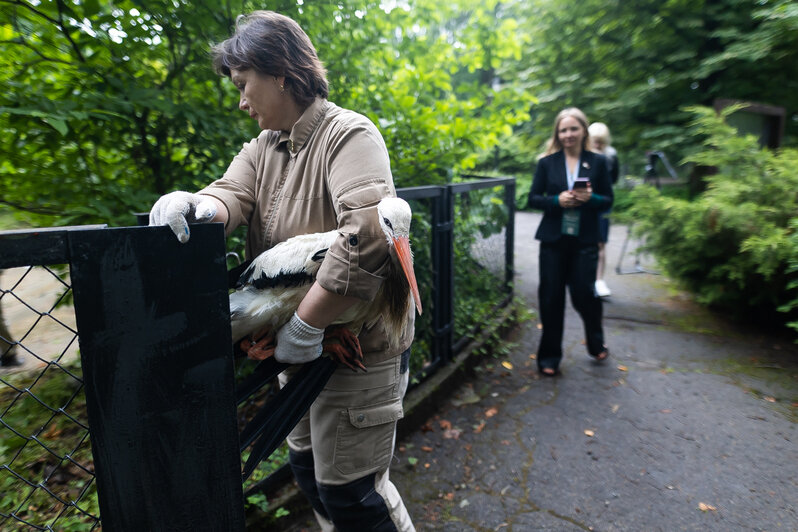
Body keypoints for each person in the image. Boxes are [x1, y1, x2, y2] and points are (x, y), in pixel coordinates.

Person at [148, 11, 415, 531]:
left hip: (359, 353)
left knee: (355, 495)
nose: (242, 101)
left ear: (281, 73)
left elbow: (368, 238)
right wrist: (196, 206)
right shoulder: (263, 147)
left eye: (245, 85)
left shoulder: (349, 135)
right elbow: (231, 195)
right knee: (310, 474)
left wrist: (305, 326)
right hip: (302, 354)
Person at [526, 108, 613, 376]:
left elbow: (608, 200)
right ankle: (549, 357)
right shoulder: (547, 162)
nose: (568, 134)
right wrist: (556, 200)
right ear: (557, 133)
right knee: (551, 297)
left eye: (573, 129)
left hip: (584, 239)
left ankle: (595, 340)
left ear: (583, 130)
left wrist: (591, 199)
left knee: (584, 294)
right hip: (553, 240)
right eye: (563, 130)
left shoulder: (598, 162)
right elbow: (532, 198)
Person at [587, 122, 619, 298]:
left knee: (600, 242)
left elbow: (613, 181)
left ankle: (599, 281)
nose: (597, 146)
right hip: (583, 203)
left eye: (600, 142)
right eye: (595, 142)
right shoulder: (581, 156)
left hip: (602, 204)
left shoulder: (611, 156)